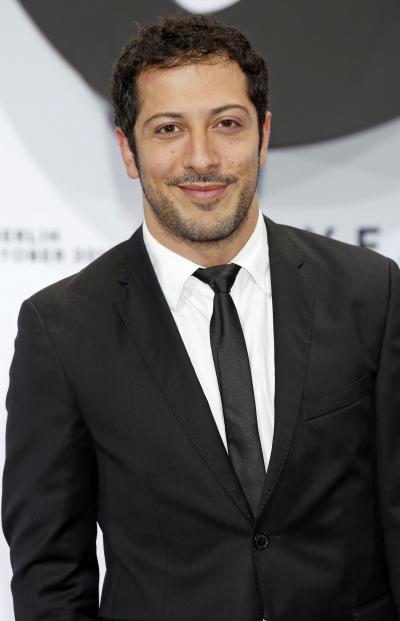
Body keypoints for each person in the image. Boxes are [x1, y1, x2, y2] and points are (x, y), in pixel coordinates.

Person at [2, 13, 400, 621]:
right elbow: (50, 572)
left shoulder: (370, 292)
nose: (203, 157)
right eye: (168, 129)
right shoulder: (61, 329)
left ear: (263, 136)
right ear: (128, 150)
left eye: (227, 124)